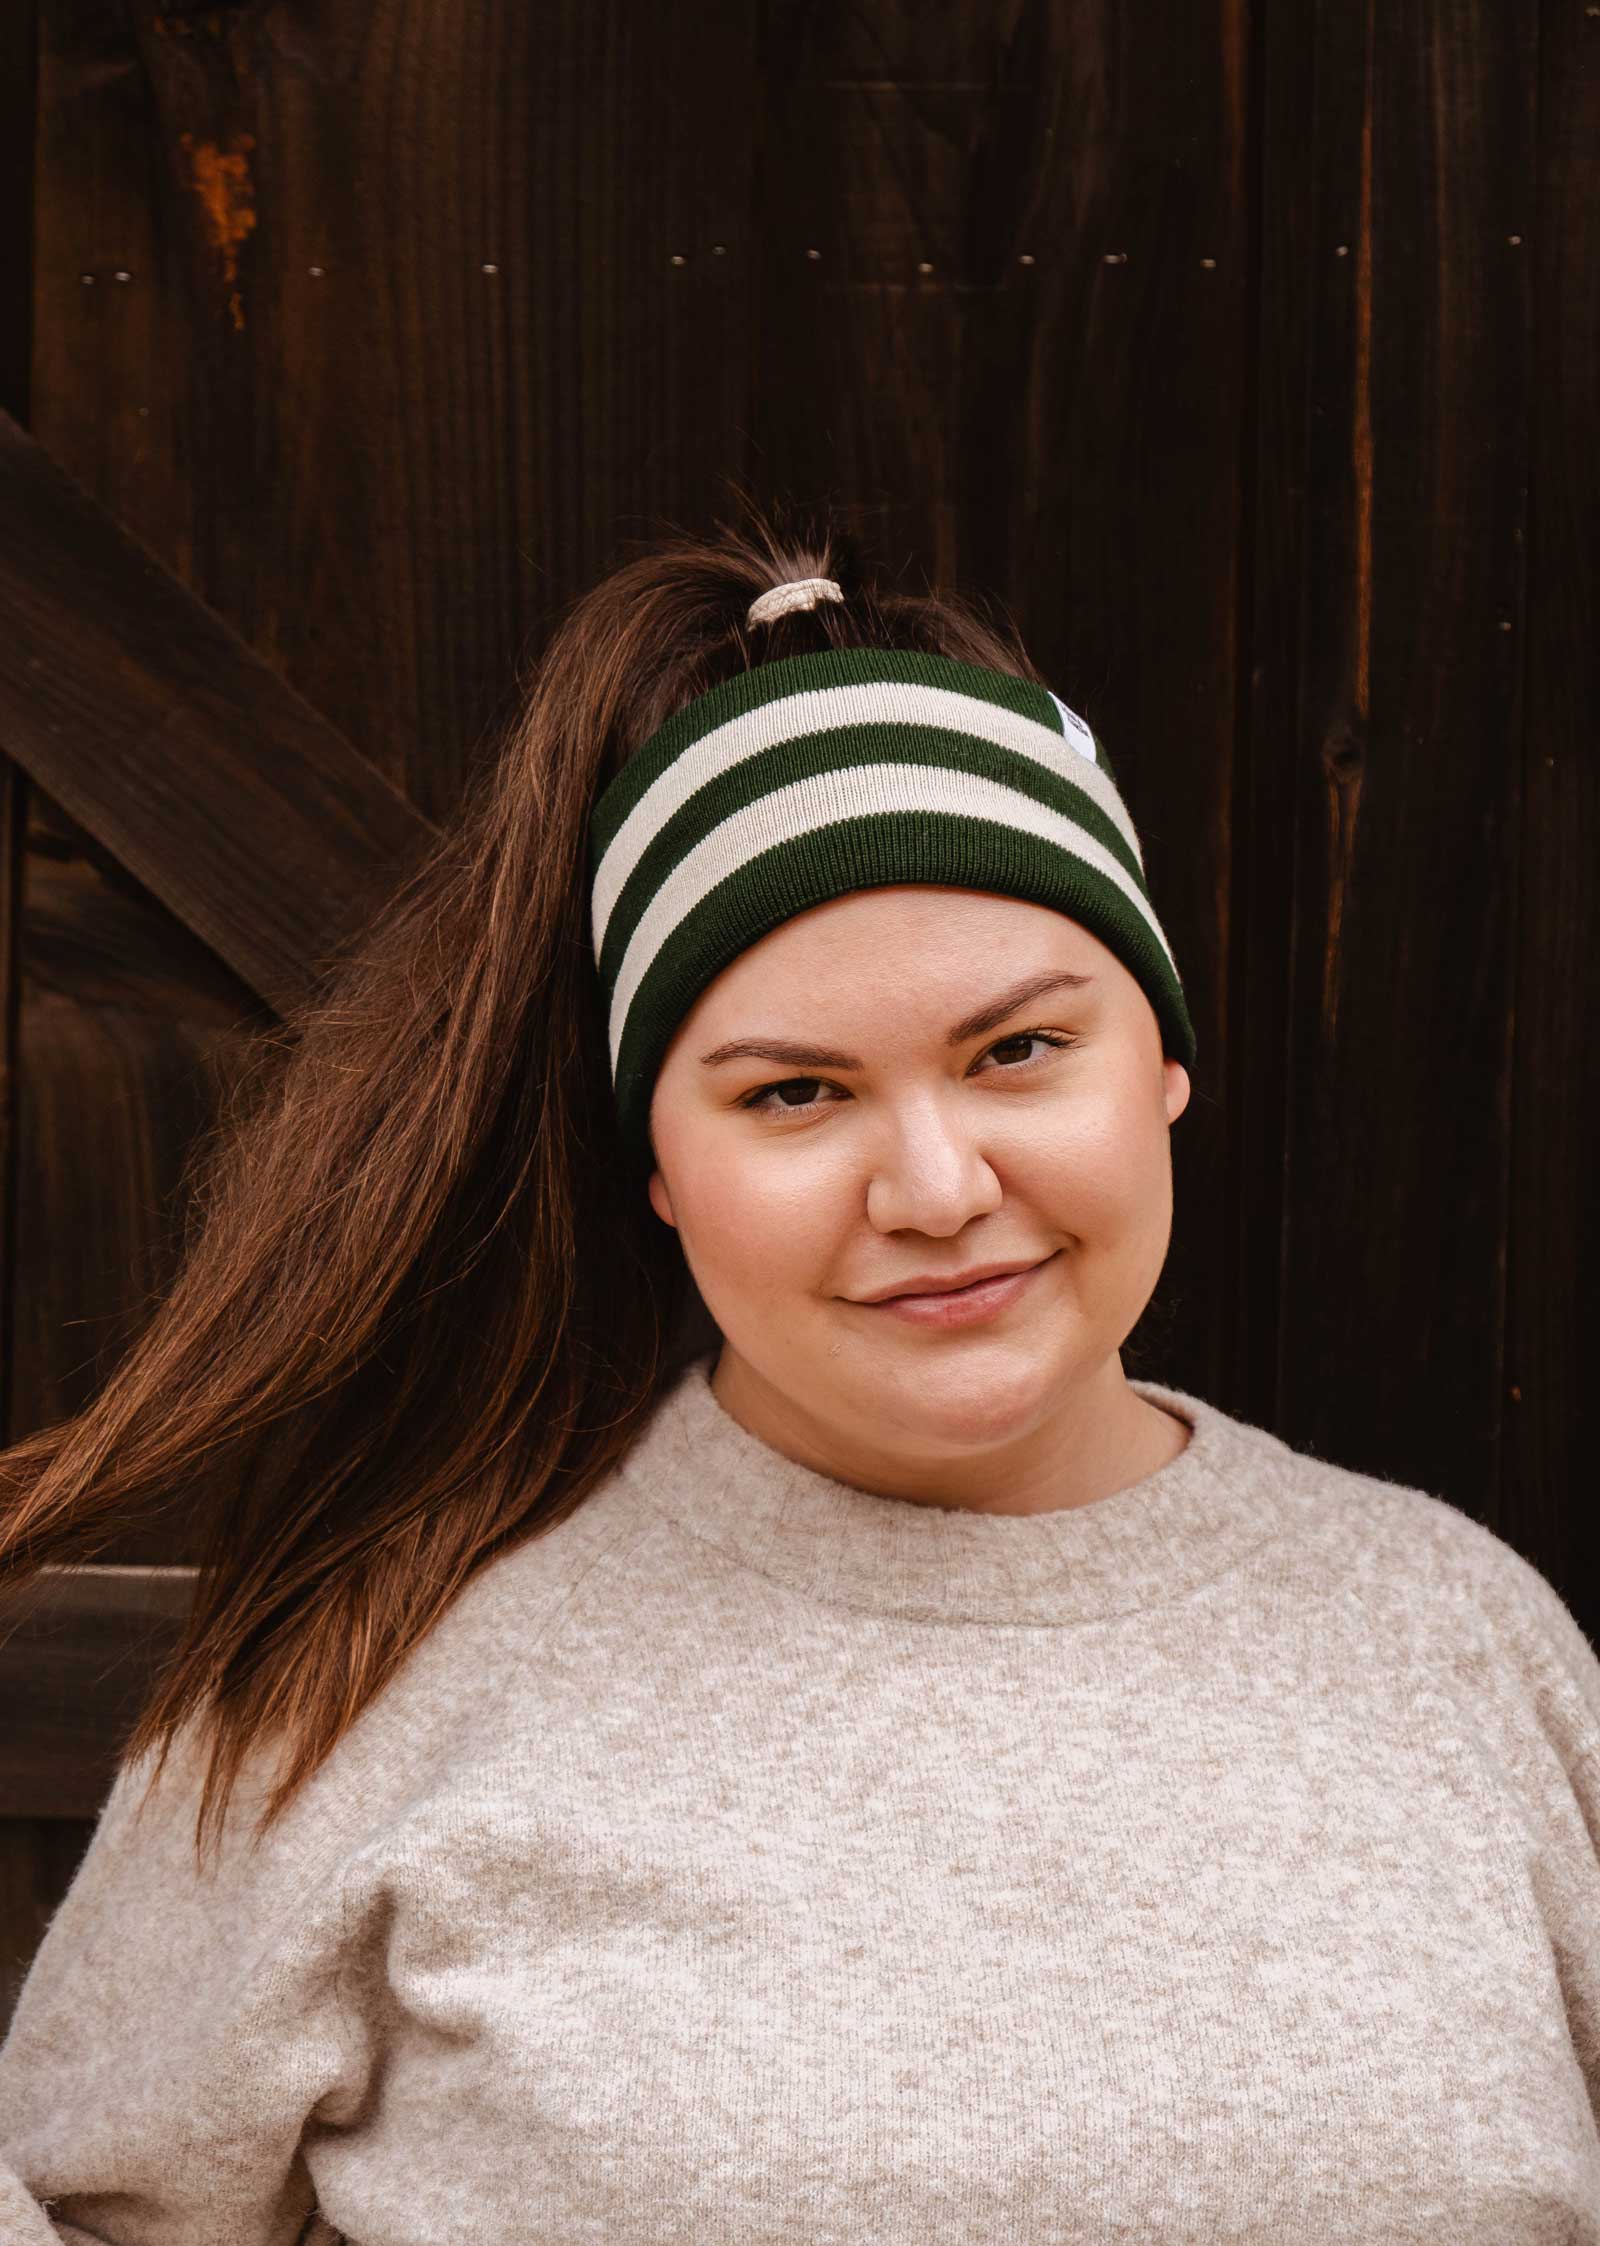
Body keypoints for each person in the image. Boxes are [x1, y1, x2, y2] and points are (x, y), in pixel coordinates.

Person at [1, 510, 1597, 2245]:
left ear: (1163, 1058)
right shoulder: (382, 1672)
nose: (937, 1188)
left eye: (1019, 1048)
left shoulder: (1464, 1644)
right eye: (794, 1093)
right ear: (660, 1166)